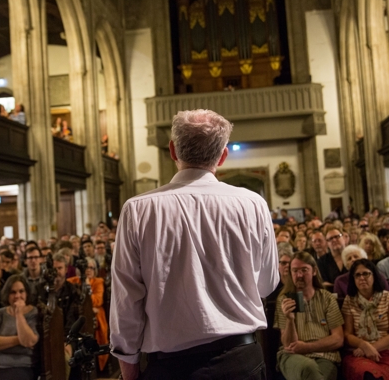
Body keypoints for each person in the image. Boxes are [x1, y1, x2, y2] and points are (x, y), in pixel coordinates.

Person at [110, 109, 278, 380]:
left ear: (172, 150)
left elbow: (126, 301)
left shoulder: (138, 210)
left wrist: (129, 370)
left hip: (171, 367)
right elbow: (266, 285)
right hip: (240, 360)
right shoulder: (253, 204)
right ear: (222, 156)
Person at [275, 251, 343, 380]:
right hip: (292, 356)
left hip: (324, 355)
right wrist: (290, 319)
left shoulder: (327, 298)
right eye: (295, 271)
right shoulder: (284, 299)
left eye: (304, 270)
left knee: (316, 373)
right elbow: (289, 345)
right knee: (308, 367)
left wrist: (307, 347)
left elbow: (338, 339)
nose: (299, 275)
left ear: (314, 271)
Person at [341, 259, 389, 380]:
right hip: (358, 352)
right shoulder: (349, 300)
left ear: (374, 276)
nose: (362, 278)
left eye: (366, 274)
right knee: (367, 374)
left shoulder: (388, 297)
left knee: (388, 375)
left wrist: (372, 347)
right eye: (357, 275)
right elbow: (347, 334)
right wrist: (363, 345)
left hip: (388, 349)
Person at [0, 275, 38, 380]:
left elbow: (29, 342)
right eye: (13, 292)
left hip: (21, 366)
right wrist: (19, 339)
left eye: (21, 291)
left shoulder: (34, 313)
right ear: (7, 295)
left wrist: (19, 314)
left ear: (27, 293)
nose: (17, 296)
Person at [68, 257, 109, 371]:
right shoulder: (72, 281)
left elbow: (97, 301)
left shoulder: (98, 281)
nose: (88, 270)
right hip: (76, 315)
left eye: (91, 268)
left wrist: (86, 283)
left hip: (95, 317)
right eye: (86, 267)